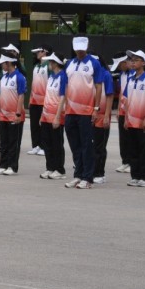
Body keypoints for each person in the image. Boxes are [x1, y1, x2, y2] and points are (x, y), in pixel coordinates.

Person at [63, 37, 103, 189]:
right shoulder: (70, 63)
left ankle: (88, 177)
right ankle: (78, 174)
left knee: (86, 145)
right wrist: (66, 106)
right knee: (74, 144)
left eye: (82, 48)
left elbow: (98, 86)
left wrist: (96, 108)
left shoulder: (94, 63)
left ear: (86, 47)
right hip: (71, 111)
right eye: (77, 48)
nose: (79, 50)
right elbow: (66, 85)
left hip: (86, 111)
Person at [121, 50, 145, 187]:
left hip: (143, 120)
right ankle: (135, 176)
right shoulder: (130, 79)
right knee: (133, 148)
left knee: (143, 148)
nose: (133, 62)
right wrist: (125, 118)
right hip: (131, 120)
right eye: (132, 60)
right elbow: (127, 99)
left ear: (144, 63)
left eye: (137, 60)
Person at [0, 54, 26, 175]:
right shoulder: (3, 77)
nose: (2, 65)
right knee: (4, 141)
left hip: (14, 115)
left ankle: (12, 167)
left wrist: (18, 114)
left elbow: (21, 96)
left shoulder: (19, 77)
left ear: (9, 63)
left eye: (3, 63)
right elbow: (0, 95)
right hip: (3, 115)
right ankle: (3, 165)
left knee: (13, 142)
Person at [39, 53, 68, 179]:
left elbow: (63, 97)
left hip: (57, 115)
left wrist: (57, 116)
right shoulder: (51, 77)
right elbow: (47, 97)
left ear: (55, 63)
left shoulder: (63, 77)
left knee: (57, 143)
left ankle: (59, 169)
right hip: (46, 115)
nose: (48, 64)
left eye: (50, 62)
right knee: (47, 143)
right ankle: (50, 167)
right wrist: (42, 115)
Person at [92, 55, 116, 183]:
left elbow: (110, 96)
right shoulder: (92, 75)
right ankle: (92, 170)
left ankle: (100, 173)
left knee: (99, 146)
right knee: (92, 145)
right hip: (92, 115)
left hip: (102, 116)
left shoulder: (106, 75)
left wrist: (107, 115)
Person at [27, 46, 51, 155]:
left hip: (44, 101)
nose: (37, 54)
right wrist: (30, 99)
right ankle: (35, 145)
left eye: (39, 52)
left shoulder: (49, 66)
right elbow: (33, 83)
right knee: (34, 124)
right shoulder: (36, 66)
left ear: (45, 52)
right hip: (34, 100)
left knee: (43, 125)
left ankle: (43, 146)